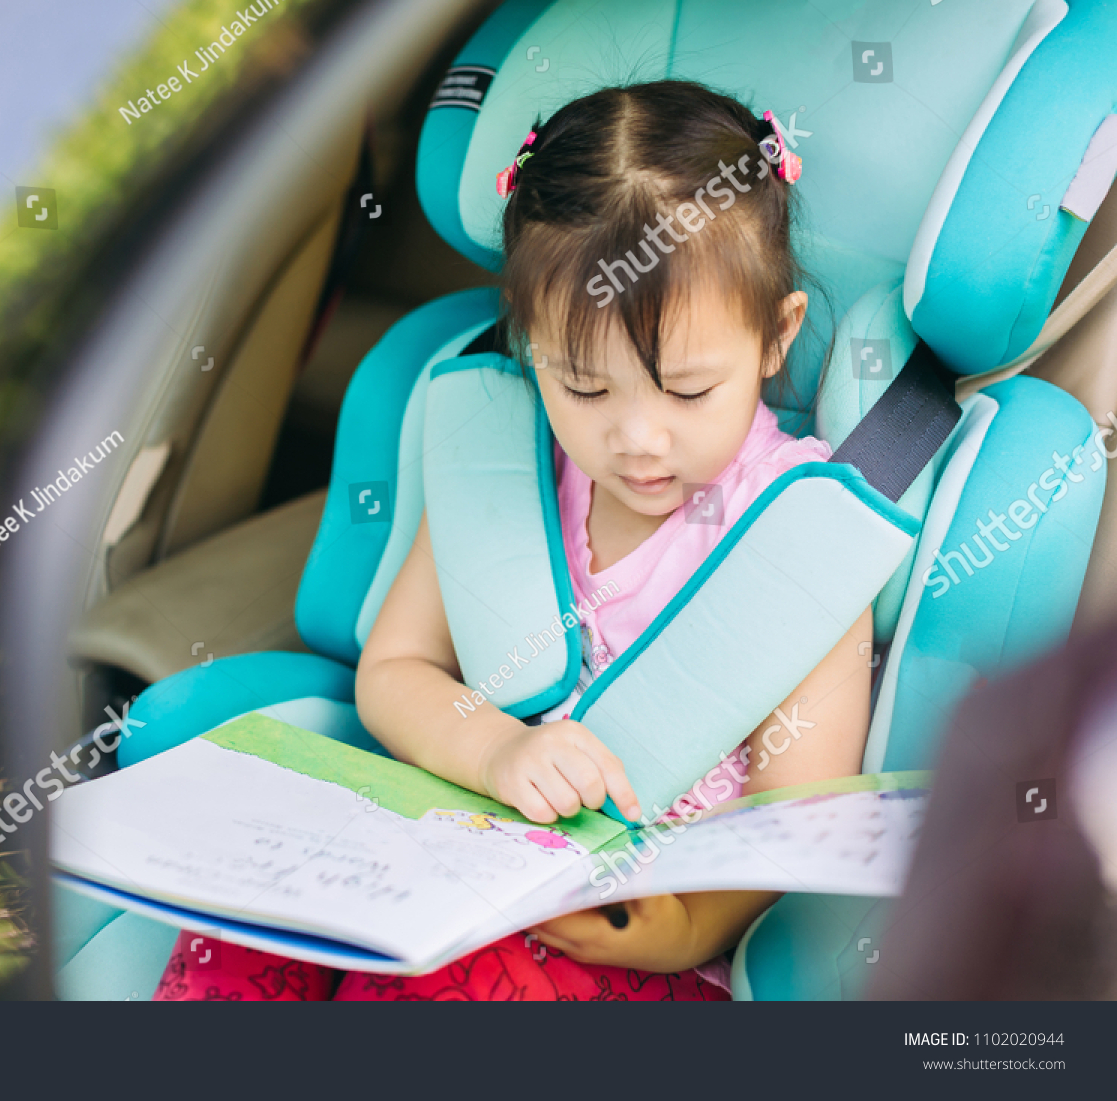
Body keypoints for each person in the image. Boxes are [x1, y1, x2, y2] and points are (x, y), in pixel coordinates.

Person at [154, 80, 875, 1001]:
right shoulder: (506, 465)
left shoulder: (801, 536)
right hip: (462, 842)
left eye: (688, 391)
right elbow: (397, 667)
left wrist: (679, 929)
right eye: (584, 385)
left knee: (461, 976)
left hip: (642, 937)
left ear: (778, 337)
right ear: (530, 345)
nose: (638, 439)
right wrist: (496, 750)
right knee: (246, 902)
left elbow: (792, 816)